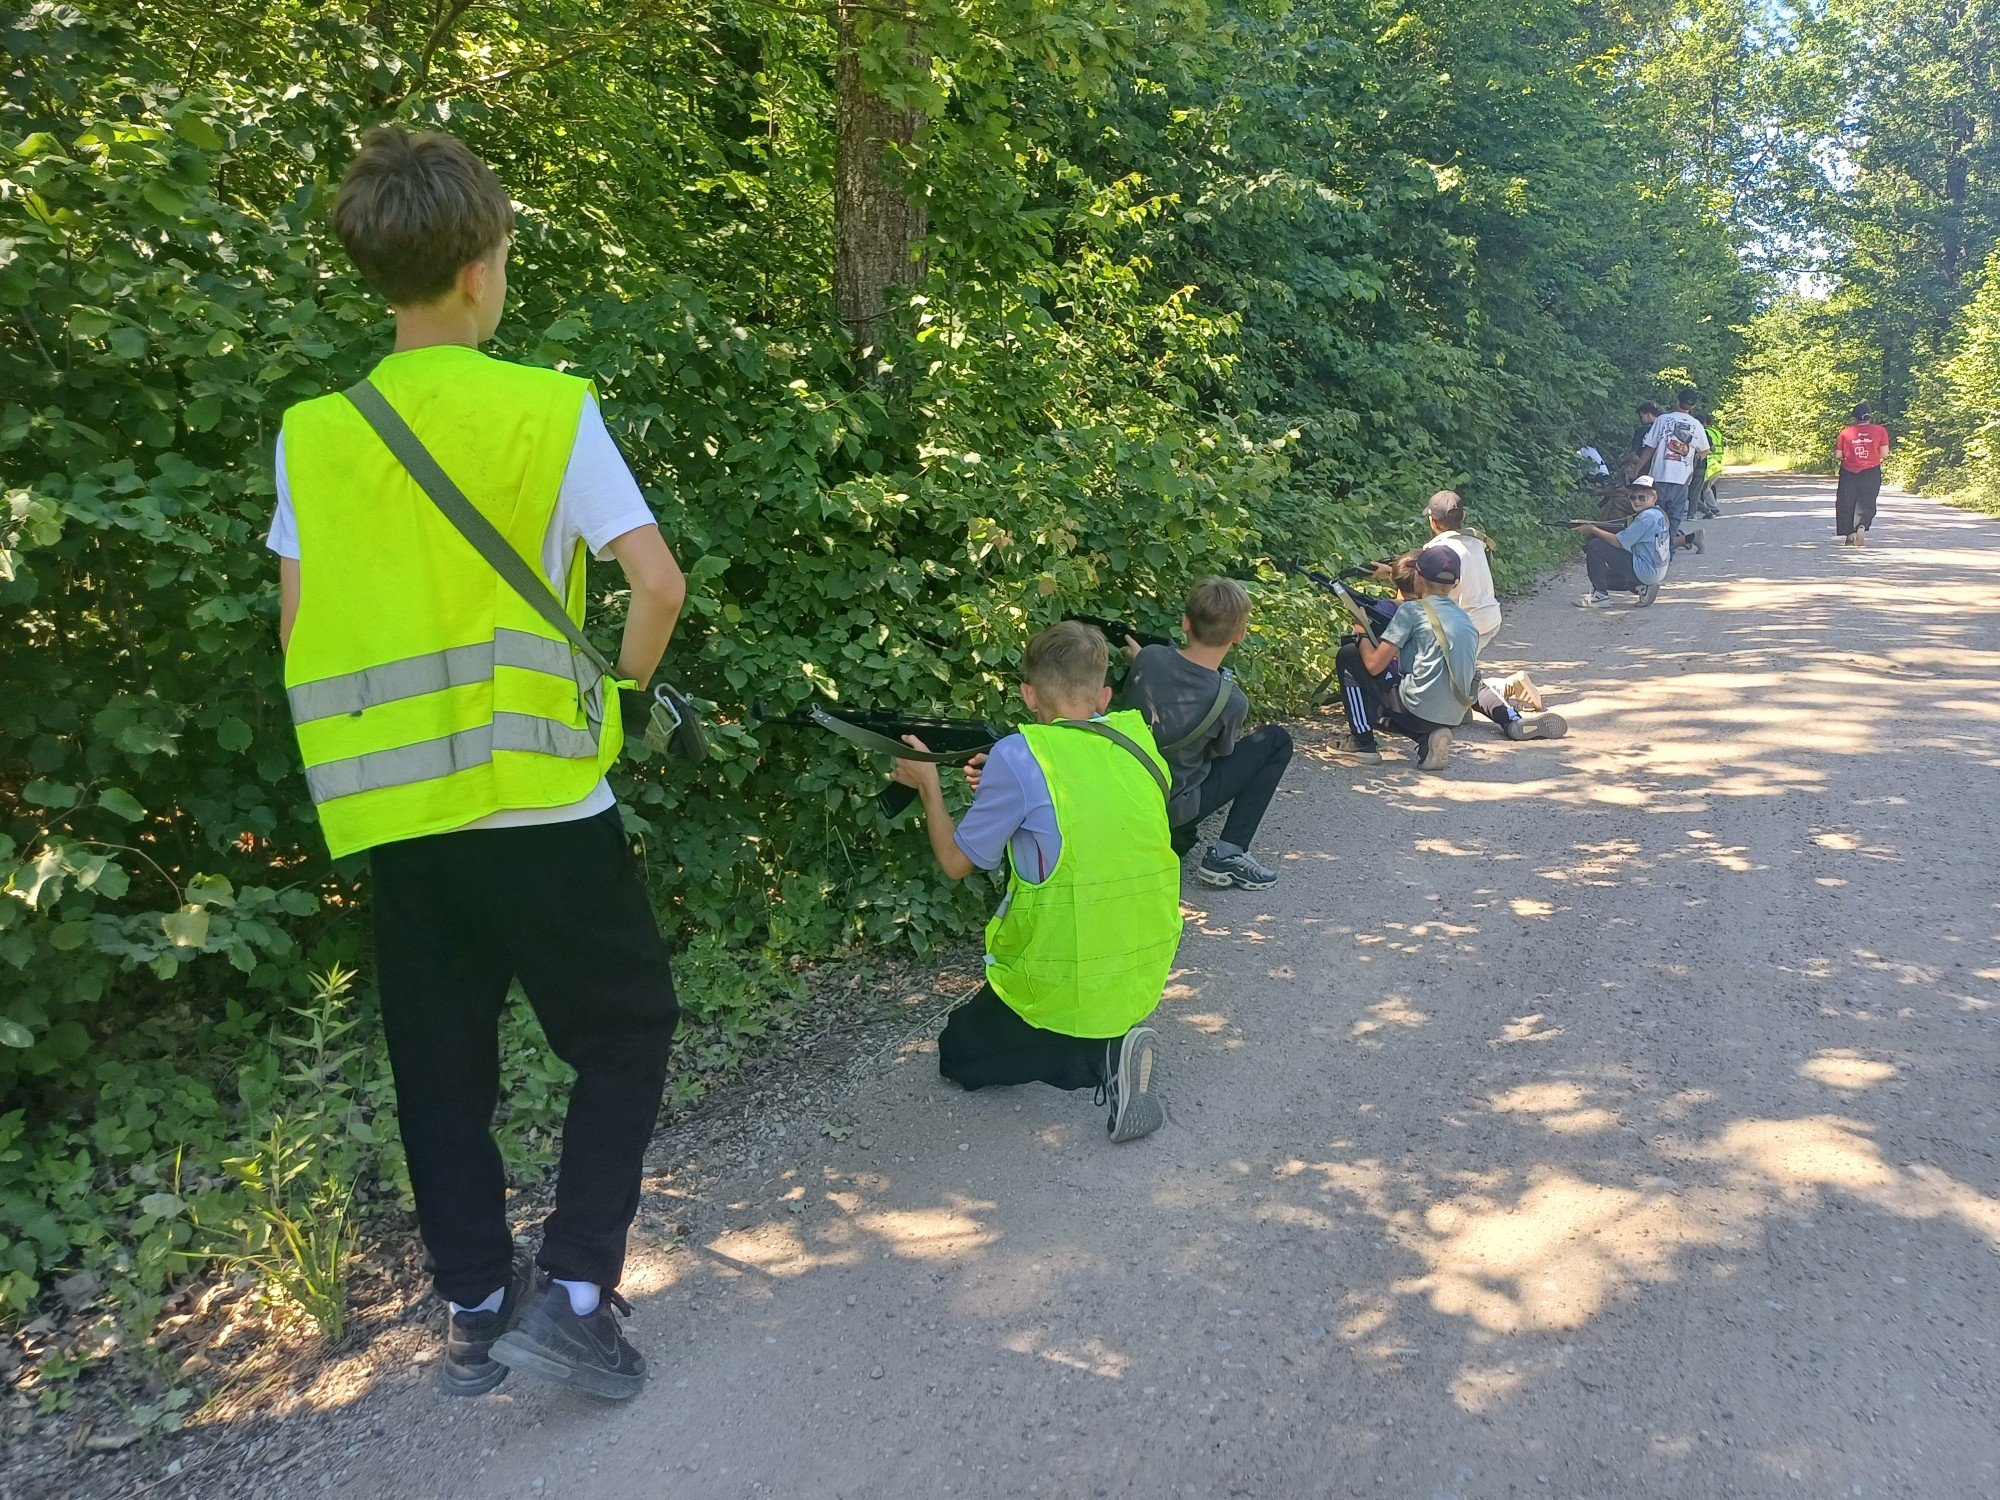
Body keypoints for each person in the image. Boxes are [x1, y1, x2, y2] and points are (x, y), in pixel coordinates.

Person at [271, 127, 687, 1402]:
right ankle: (574, 1294)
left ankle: (470, 1306)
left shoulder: (314, 435)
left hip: (399, 811)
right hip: (545, 800)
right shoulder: (546, 410)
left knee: (440, 1063)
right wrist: (626, 694)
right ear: (477, 270)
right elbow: (655, 584)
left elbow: (297, 626)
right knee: (623, 1028)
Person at [890, 622, 1181, 1144]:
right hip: (1142, 963)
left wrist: (927, 783)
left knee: (958, 1053)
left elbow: (956, 863)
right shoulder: (1139, 742)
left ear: (1028, 695)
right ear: (1104, 696)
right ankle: (1113, 1036)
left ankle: (1103, 1059)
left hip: (1068, 970)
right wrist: (1000, 780)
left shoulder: (1020, 755)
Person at [1117, 579, 1293, 891]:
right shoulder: (1232, 701)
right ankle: (1228, 853)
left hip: (1128, 799)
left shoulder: (1149, 658)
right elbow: (1221, 753)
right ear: (1239, 635)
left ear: (1185, 622)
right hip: (1174, 813)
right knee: (1276, 740)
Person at [1418, 492, 1565, 742]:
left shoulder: (1436, 551)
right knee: (1458, 674)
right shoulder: (1477, 540)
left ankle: (1510, 715)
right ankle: (1503, 689)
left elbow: (1430, 592)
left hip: (1463, 625)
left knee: (1459, 679)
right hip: (1490, 615)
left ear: (1432, 521)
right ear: (1463, 516)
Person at [1330, 545, 1481, 773]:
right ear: (1456, 583)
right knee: (1399, 691)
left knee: (1349, 654)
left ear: (1418, 576)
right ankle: (1425, 739)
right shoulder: (1465, 618)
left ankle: (1362, 742)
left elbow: (1373, 666)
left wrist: (1361, 631)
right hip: (1454, 715)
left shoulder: (1412, 611)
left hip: (1416, 710)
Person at [1630, 388, 1709, 556]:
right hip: (1682, 480)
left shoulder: (1663, 420)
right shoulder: (1696, 425)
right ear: (1693, 406)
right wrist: (1695, 459)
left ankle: (1653, 553)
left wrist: (1636, 470)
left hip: (1659, 477)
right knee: (1674, 519)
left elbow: (1650, 447)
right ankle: (1667, 554)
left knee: (1655, 516)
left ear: (1677, 401)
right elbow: (1705, 450)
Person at [1573, 476, 1669, 607]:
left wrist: (1593, 529)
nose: (1636, 501)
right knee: (1602, 574)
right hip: (1656, 571)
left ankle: (1600, 597)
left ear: (1654, 497)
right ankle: (1641, 587)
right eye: (1632, 497)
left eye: (1642, 497)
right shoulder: (1658, 514)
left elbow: (1618, 542)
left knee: (1596, 546)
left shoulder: (1646, 518)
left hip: (1646, 570)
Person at [1836, 403, 1892, 546]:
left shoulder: (1845, 433)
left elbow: (1838, 455)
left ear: (1854, 417)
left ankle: (1849, 534)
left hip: (1849, 471)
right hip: (1871, 470)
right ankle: (1862, 524)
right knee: (1867, 500)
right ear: (1869, 416)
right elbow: (1884, 454)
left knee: (1846, 501)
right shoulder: (1880, 431)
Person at [1693, 409, 1726, 518]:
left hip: (1707, 463)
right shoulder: (1715, 431)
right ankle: (1711, 508)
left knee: (1699, 488)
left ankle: (1706, 509)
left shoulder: (1703, 432)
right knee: (1707, 487)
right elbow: (1714, 447)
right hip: (1716, 463)